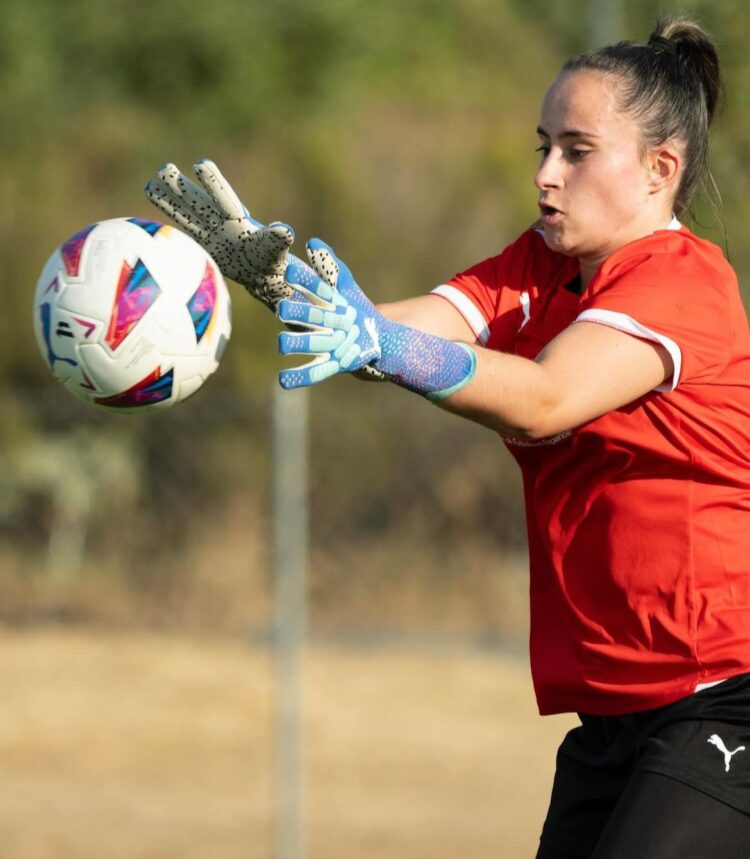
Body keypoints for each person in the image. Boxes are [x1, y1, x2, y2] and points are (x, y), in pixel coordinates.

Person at [145, 16, 750, 858]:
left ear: (660, 170)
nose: (545, 174)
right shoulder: (539, 267)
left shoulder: (682, 284)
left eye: (577, 151)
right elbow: (385, 337)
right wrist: (289, 291)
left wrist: (381, 343)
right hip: (614, 719)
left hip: (723, 699)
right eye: (543, 146)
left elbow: (544, 398)